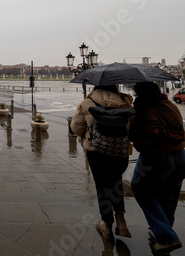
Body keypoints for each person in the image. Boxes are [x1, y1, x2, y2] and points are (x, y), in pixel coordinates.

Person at [71, 85, 133, 241]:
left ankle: (106, 225)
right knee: (116, 182)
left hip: (96, 152)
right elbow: (131, 127)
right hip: (120, 151)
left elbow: (76, 128)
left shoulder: (88, 102)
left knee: (102, 187)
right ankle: (121, 221)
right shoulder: (124, 102)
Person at [130, 82, 185, 253]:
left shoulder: (145, 109)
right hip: (180, 154)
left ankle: (166, 236)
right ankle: (163, 230)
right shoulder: (170, 105)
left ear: (141, 95)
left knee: (141, 189)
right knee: (169, 195)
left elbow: (145, 136)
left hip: (157, 156)